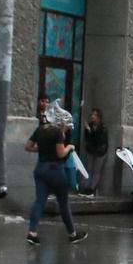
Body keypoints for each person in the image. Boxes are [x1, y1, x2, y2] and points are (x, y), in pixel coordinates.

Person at [25, 101, 87, 246]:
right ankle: (72, 235)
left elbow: (28, 147)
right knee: (63, 203)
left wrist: (41, 150)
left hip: (40, 169)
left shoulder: (40, 129)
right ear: (61, 121)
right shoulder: (57, 132)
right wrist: (70, 147)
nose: (66, 129)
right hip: (55, 171)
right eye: (66, 126)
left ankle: (32, 233)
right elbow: (60, 154)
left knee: (39, 201)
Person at [79, 107, 111, 195]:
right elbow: (87, 138)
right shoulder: (89, 125)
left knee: (96, 170)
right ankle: (86, 187)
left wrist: (90, 131)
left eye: (95, 115)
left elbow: (99, 140)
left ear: (99, 117)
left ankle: (92, 189)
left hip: (100, 152)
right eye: (92, 115)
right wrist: (88, 130)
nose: (92, 117)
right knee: (89, 169)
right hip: (91, 151)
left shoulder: (103, 127)